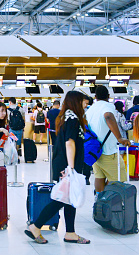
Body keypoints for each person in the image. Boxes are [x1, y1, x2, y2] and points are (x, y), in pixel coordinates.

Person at [25, 91, 90, 245]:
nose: (85, 105)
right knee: (61, 199)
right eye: (83, 102)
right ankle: (36, 226)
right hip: (67, 165)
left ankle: (70, 232)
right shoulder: (73, 118)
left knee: (68, 199)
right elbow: (70, 143)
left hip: (63, 162)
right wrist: (71, 168)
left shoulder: (65, 116)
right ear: (76, 102)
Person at [85, 85, 130, 194]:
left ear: (95, 97)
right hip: (108, 151)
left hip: (94, 150)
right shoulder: (108, 106)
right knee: (118, 178)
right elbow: (108, 116)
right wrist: (119, 137)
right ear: (108, 96)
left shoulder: (91, 109)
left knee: (99, 176)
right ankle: (108, 201)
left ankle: (100, 202)